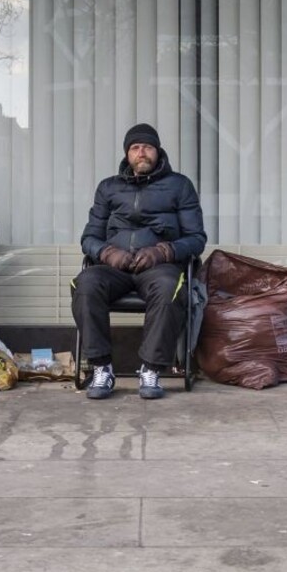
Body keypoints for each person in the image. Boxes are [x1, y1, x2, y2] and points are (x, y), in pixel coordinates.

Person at [72, 123, 207, 400]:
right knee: (85, 283)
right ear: (127, 154)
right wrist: (109, 254)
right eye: (135, 148)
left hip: (159, 268)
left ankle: (151, 369)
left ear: (158, 152)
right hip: (115, 268)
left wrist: (163, 252)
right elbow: (89, 238)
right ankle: (101, 368)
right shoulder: (108, 188)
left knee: (171, 287)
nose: (141, 153)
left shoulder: (180, 186)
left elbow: (196, 238)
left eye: (147, 147)